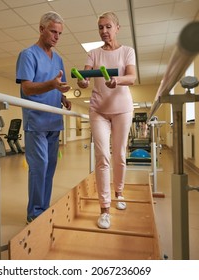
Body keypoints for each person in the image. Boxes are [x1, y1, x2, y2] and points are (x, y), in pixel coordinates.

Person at [76, 11, 137, 229]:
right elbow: (86, 76)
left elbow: (132, 77)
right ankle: (104, 208)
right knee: (102, 156)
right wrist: (82, 82)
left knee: (119, 154)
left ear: (117, 28)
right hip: (98, 109)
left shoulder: (127, 52)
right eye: (101, 27)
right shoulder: (93, 53)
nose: (104, 31)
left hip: (122, 109)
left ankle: (119, 192)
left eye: (108, 26)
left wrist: (117, 80)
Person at [16, 11, 72, 224]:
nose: (57, 37)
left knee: (50, 167)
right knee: (39, 166)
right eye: (53, 32)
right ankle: (34, 214)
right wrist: (52, 85)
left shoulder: (58, 59)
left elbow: (60, 86)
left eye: (59, 33)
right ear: (41, 29)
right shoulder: (28, 55)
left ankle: (43, 208)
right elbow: (27, 88)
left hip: (53, 120)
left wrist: (63, 97)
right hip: (36, 121)